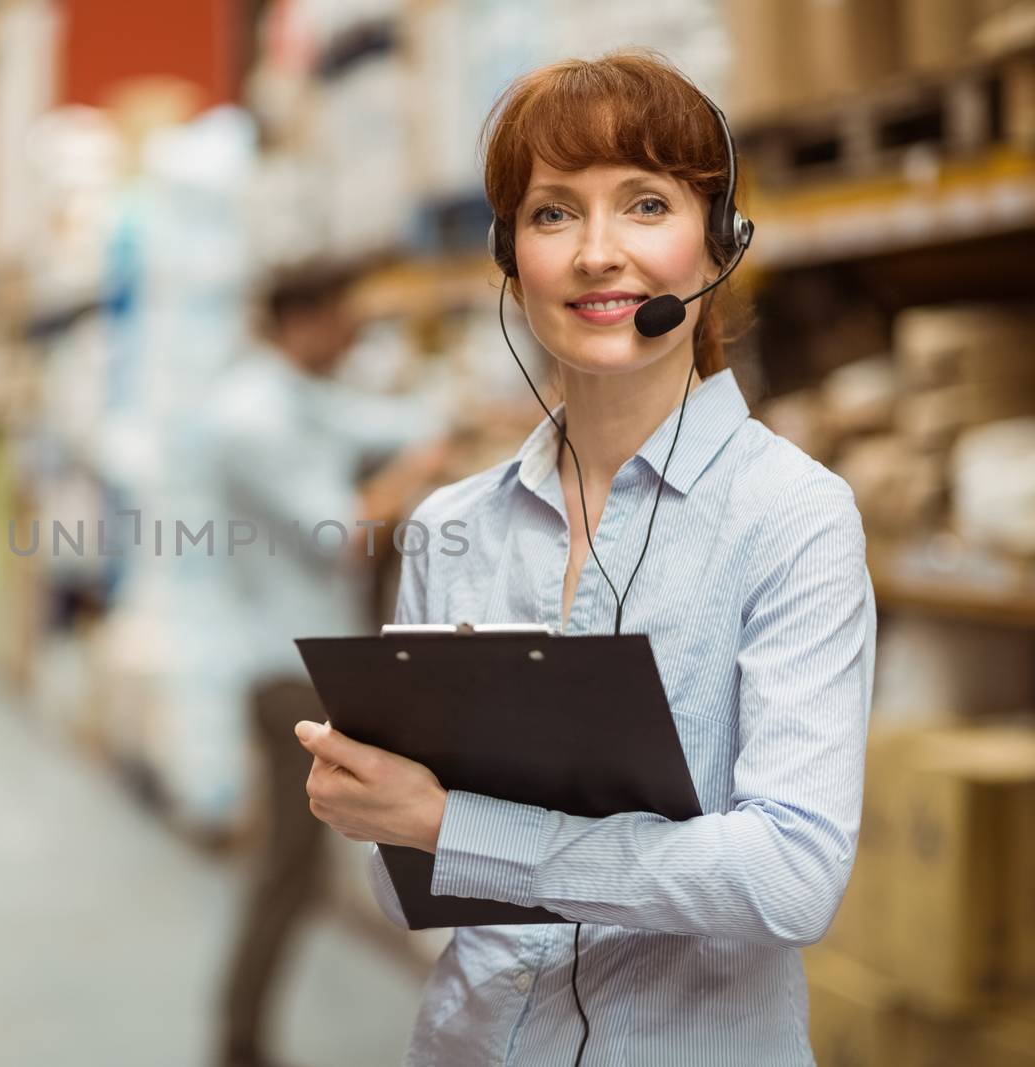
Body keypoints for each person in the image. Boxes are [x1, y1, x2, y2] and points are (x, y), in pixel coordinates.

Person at [294, 52, 876, 1066]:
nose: (600, 253)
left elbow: (788, 874)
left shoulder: (792, 516)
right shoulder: (448, 525)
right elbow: (411, 880)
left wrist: (456, 822)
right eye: (554, 213)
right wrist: (378, 803)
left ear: (718, 244)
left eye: (645, 204)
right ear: (510, 255)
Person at [208, 262, 449, 1067]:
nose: (354, 336)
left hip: (306, 659)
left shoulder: (298, 394)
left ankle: (240, 1037)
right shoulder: (252, 413)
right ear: (303, 318)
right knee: (288, 870)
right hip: (289, 671)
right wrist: (420, 472)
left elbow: (375, 421)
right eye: (345, 319)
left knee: (292, 868)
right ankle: (239, 1043)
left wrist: (443, 424)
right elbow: (339, 532)